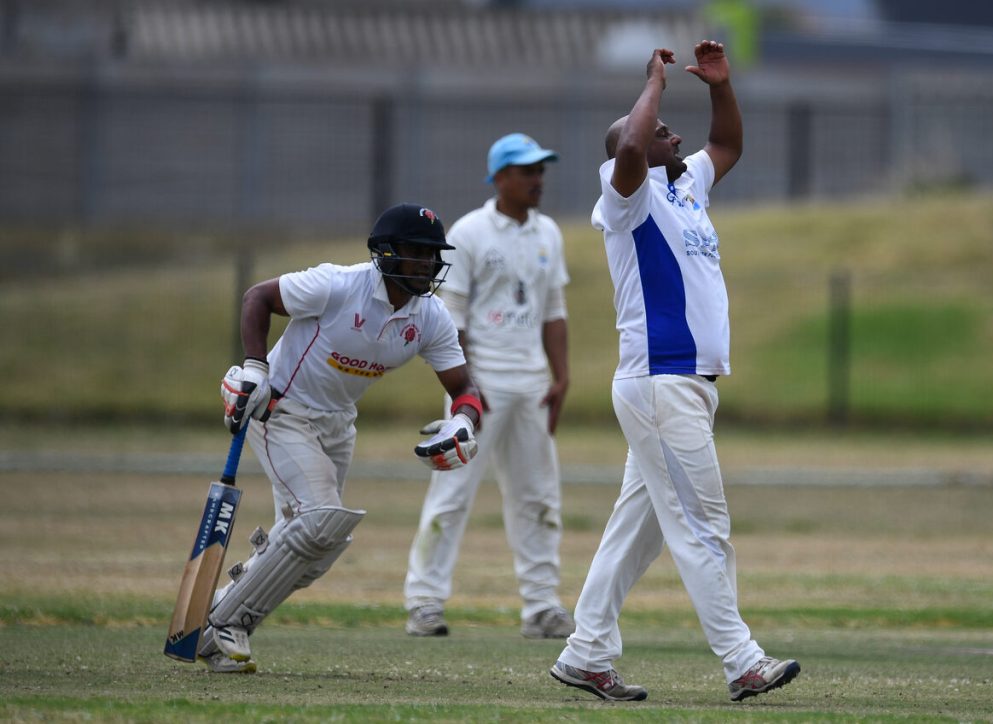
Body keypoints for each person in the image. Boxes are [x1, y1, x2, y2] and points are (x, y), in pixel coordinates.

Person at [549, 42, 801, 702]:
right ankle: (742, 660)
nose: (673, 135)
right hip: (661, 383)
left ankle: (585, 652)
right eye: (664, 130)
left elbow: (728, 144)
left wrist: (721, 86)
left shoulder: (684, 185)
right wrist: (653, 83)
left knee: (638, 531)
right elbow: (631, 148)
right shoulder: (624, 195)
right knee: (704, 527)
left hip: (682, 388)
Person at [197, 203, 485, 673]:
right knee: (319, 520)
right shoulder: (336, 284)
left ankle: (225, 607)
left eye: (434, 255)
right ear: (386, 253)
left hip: (337, 424)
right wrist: (255, 367)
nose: (428, 264)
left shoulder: (430, 316)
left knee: (315, 553)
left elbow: (465, 389)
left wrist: (464, 422)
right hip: (281, 411)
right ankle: (225, 623)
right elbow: (256, 298)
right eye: (417, 252)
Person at [403, 133, 574, 640]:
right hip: (480, 386)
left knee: (539, 496)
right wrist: (467, 389)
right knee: (451, 494)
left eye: (541, 170)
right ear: (499, 176)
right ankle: (424, 603)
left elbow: (554, 312)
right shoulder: (470, 231)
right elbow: (449, 319)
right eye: (526, 171)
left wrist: (561, 376)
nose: (537, 180)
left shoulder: (549, 234)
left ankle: (542, 607)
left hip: (533, 384)